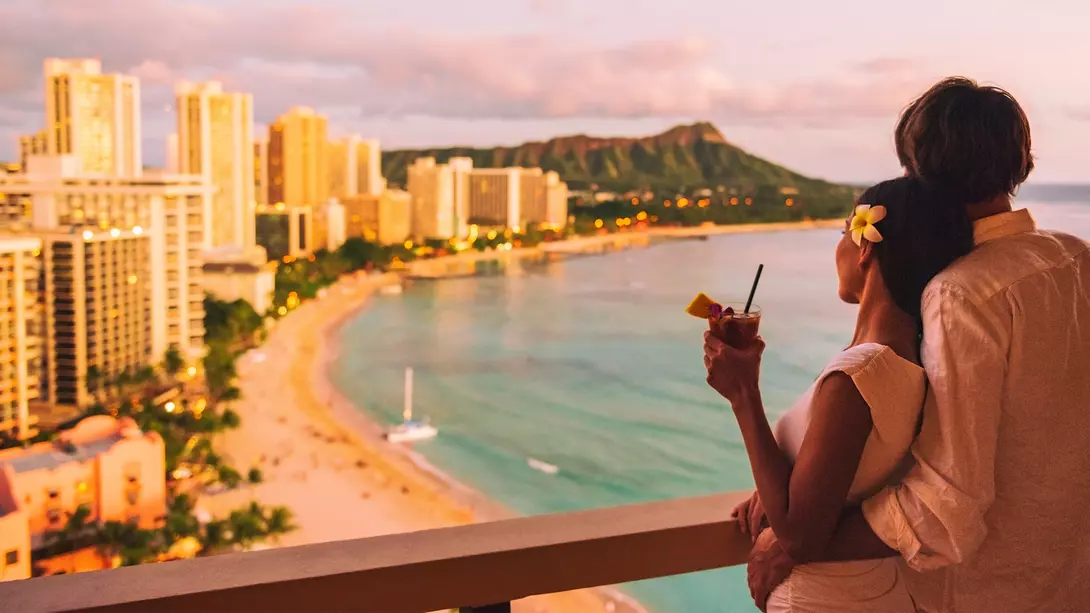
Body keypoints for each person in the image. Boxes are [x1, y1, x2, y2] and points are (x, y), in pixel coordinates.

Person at [736, 77, 1090, 612]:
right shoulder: (1076, 258)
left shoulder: (960, 293)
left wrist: (799, 540)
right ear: (1020, 163)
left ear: (917, 172)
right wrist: (805, 485)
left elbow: (948, 504)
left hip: (983, 592)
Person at [704, 176, 973, 612]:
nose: (839, 249)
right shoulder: (910, 358)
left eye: (842, 233)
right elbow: (844, 479)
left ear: (865, 247)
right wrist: (775, 487)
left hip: (827, 599)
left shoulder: (858, 374)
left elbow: (800, 537)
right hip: (869, 590)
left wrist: (743, 394)